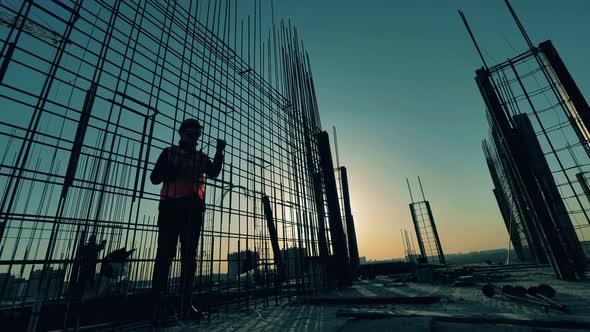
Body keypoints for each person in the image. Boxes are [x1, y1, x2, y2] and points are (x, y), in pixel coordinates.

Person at [150, 118, 225, 322]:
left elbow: (214, 172)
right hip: (170, 209)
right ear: (181, 133)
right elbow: (155, 177)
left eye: (196, 135)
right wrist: (172, 167)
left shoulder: (201, 157)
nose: (194, 138)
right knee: (164, 257)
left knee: (189, 260)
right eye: (190, 134)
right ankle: (158, 307)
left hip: (192, 211)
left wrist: (220, 152)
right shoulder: (169, 153)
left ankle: (185, 304)